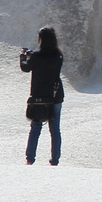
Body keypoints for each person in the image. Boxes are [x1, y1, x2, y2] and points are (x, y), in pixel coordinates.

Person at [20, 26, 64, 166]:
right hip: (55, 96)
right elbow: (46, 59)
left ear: (41, 40)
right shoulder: (59, 55)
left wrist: (23, 56)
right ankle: (55, 160)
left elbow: (26, 68)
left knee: (35, 128)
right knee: (55, 130)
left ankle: (30, 159)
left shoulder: (36, 57)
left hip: (39, 96)